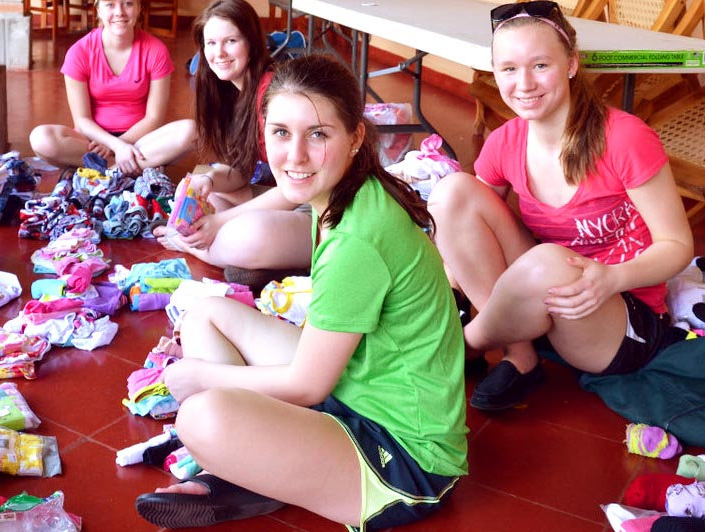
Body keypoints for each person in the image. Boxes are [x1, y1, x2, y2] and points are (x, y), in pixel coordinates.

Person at [135, 55, 468, 530]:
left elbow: (307, 386)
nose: (295, 156)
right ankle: (256, 468)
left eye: (318, 134)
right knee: (206, 315)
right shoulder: (344, 191)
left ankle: (243, 469)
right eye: (281, 133)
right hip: (358, 384)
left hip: (404, 452)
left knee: (199, 416)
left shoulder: (357, 236)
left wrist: (202, 377)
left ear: (355, 136)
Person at [427, 0, 694, 411]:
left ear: (571, 63)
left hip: (615, 312)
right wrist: (449, 280)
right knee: (451, 192)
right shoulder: (505, 141)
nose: (524, 84)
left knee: (552, 261)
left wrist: (612, 278)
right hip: (542, 291)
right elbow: (465, 225)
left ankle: (464, 346)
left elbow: (677, 245)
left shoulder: (624, 138)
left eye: (540, 66)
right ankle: (521, 357)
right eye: (509, 69)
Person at [153, 0, 313, 281]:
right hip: (294, 199)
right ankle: (250, 260)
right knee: (200, 194)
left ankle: (196, 247)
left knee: (247, 237)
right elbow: (240, 172)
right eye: (210, 43)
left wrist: (217, 223)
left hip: (323, 210)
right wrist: (209, 180)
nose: (219, 53)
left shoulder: (275, 96)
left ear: (251, 42)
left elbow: (296, 190)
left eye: (231, 41)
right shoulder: (232, 93)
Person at [28, 0, 194, 174]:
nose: (120, 12)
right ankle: (129, 168)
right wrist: (114, 145)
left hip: (140, 140)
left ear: (139, 7)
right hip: (93, 141)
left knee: (190, 131)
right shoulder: (79, 52)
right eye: (110, 5)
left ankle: (106, 169)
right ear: (98, 10)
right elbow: (82, 120)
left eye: (127, 3)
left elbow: (154, 117)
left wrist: (120, 144)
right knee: (41, 138)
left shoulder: (156, 50)